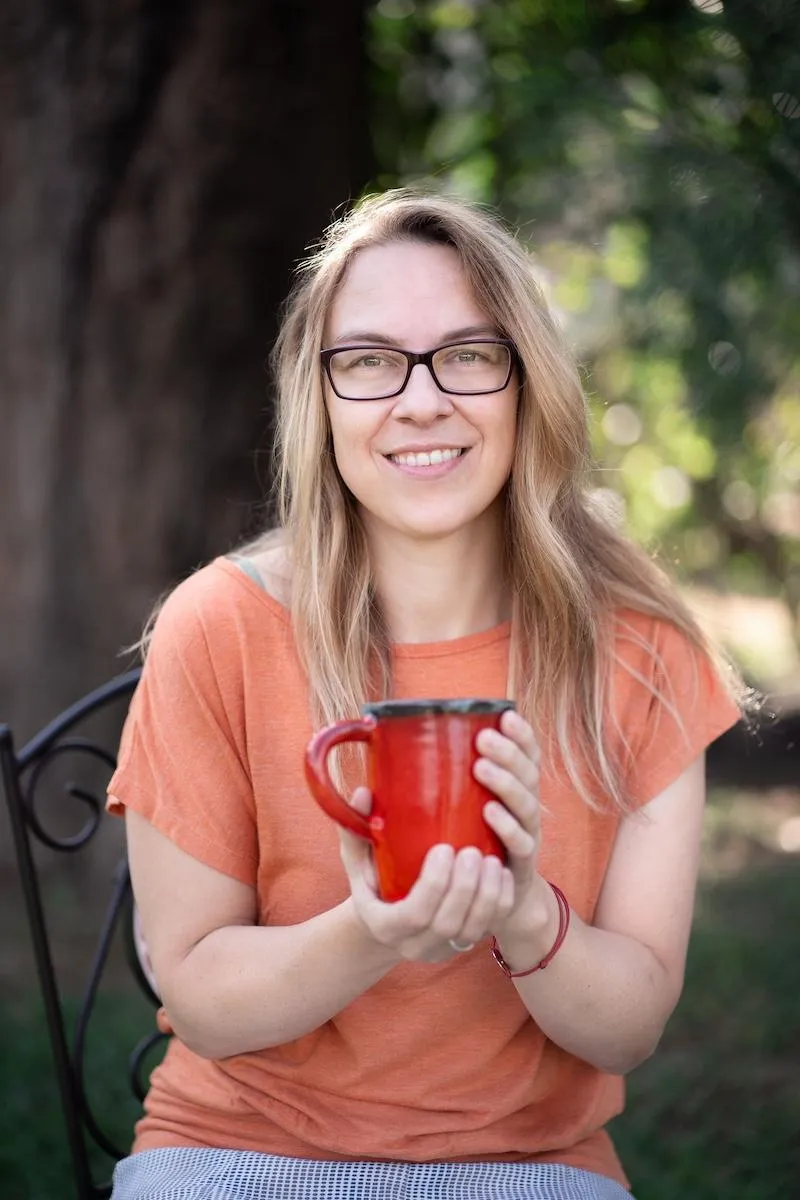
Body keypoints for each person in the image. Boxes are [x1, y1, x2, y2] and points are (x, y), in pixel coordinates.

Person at [107, 189, 746, 1200]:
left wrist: (528, 916)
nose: (418, 401)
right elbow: (206, 1004)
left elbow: (626, 1030)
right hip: (237, 1153)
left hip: (528, 1167)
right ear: (317, 399)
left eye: (467, 354)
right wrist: (375, 931)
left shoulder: (641, 649)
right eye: (366, 362)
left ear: (524, 381)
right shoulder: (218, 626)